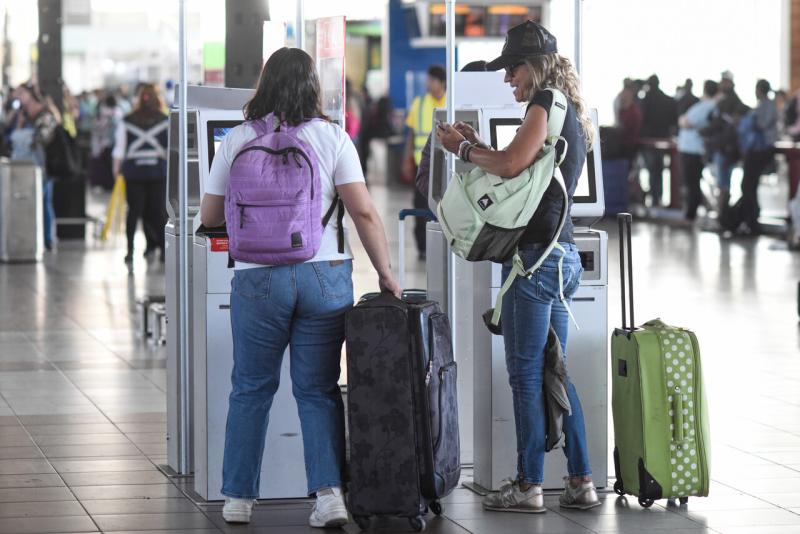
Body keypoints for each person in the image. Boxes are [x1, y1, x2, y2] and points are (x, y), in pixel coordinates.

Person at [199, 47, 401, 528]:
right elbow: (365, 212)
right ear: (313, 86)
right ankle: (329, 495)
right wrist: (388, 273)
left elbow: (209, 217)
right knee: (318, 389)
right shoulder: (333, 137)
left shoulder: (238, 138)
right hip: (323, 276)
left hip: (256, 277)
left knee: (250, 387)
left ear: (264, 83)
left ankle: (238, 498)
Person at [437, 20, 600, 514]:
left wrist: (461, 149)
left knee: (526, 374)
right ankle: (581, 480)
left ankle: (529, 484)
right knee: (555, 371)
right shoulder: (567, 110)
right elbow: (524, 168)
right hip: (561, 254)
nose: (509, 80)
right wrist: (479, 144)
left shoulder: (545, 101)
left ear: (535, 66)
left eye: (513, 71)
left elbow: (509, 166)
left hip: (535, 261)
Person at [112, 83, 169, 264]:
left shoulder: (127, 120)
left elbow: (120, 149)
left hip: (134, 173)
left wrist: (116, 169)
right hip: (157, 173)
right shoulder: (165, 120)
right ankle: (162, 249)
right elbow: (169, 149)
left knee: (134, 212)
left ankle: (130, 252)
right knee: (159, 213)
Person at [403, 65, 446, 259]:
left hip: (446, 168)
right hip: (424, 168)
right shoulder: (419, 103)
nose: (428, 84)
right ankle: (422, 248)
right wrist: (406, 159)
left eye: (432, 80)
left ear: (441, 82)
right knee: (421, 208)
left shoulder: (451, 100)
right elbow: (411, 133)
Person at [10, 83, 58, 250]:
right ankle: (27, 238)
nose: (19, 98)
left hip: (41, 168)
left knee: (44, 202)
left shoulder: (45, 116)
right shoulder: (22, 115)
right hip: (21, 168)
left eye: (22, 94)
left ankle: (48, 239)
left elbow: (41, 141)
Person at [703, 72, 749, 213]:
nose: (722, 84)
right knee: (722, 182)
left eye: (725, 82)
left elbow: (719, 124)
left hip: (726, 148)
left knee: (723, 183)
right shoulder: (723, 101)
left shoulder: (732, 102)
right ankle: (722, 214)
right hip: (723, 148)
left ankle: (722, 215)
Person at [738, 79, 778, 235]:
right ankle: (749, 220)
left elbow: (761, 125)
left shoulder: (767, 106)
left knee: (748, 185)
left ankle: (752, 222)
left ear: (759, 90)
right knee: (748, 185)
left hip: (760, 151)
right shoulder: (763, 106)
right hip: (755, 150)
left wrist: (750, 118)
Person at [677, 80, 718, 221]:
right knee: (693, 183)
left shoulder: (705, 106)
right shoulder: (711, 106)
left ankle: (690, 215)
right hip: (696, 149)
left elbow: (686, 122)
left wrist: (682, 120)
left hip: (692, 149)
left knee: (691, 183)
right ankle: (692, 212)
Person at [639, 74, 678, 207]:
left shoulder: (645, 100)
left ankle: (654, 200)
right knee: (659, 170)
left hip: (649, 141)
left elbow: (641, 119)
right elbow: (674, 120)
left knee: (651, 170)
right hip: (664, 139)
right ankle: (659, 198)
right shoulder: (668, 100)